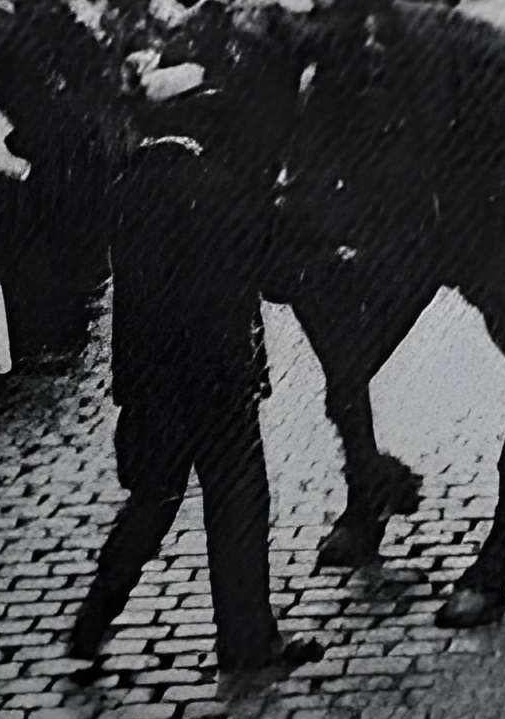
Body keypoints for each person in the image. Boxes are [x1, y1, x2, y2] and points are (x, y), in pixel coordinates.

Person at [63, 53, 319, 678]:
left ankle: (92, 622)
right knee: (239, 505)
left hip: (151, 379)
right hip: (219, 374)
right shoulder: (218, 183)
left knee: (151, 502)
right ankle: (247, 643)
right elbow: (275, 274)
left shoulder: (129, 184)